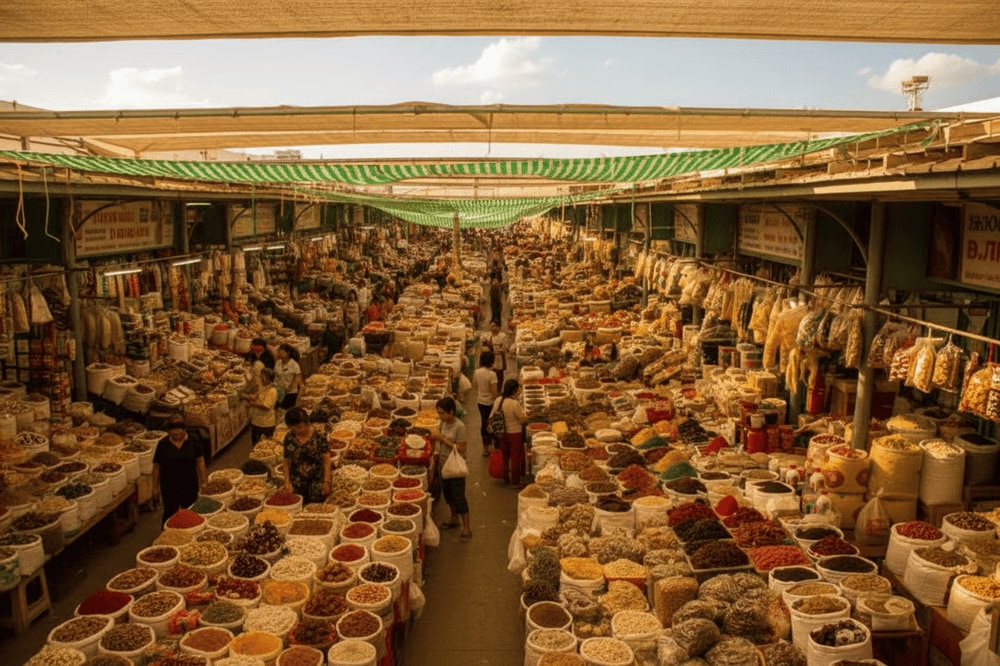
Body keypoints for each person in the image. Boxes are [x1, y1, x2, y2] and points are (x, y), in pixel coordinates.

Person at [152, 415, 207, 526]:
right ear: (169, 431)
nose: (177, 434)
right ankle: (168, 532)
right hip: (169, 487)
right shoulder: (163, 444)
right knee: (170, 514)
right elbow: (157, 467)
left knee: (190, 513)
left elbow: (200, 461)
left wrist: (203, 481)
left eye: (180, 430)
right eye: (174, 431)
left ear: (184, 429)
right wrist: (155, 488)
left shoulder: (193, 441)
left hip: (189, 485)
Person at [433, 396, 471, 538]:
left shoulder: (459, 426)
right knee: (448, 494)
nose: (440, 416)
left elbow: (461, 448)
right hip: (444, 464)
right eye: (439, 413)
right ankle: (454, 519)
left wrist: (443, 440)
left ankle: (466, 527)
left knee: (459, 496)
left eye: (442, 413)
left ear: (451, 412)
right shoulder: (442, 424)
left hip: (455, 467)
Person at [282, 406, 332, 503]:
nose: (297, 431)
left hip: (316, 482)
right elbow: (286, 460)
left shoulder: (319, 436)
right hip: (297, 482)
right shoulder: (289, 437)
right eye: (293, 428)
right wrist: (287, 482)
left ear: (306, 422)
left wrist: (327, 481)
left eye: (300, 427)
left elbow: (326, 459)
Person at [490, 379, 527, 488]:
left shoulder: (498, 400)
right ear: (514, 390)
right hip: (515, 433)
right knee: (515, 457)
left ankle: (505, 477)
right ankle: (515, 482)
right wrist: (529, 417)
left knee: (505, 456)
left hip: (502, 433)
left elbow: (492, 415)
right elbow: (521, 420)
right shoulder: (514, 404)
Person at [473, 350, 498, 457]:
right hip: (491, 402)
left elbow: (474, 386)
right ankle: (495, 447)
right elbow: (494, 391)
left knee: (484, 423)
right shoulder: (492, 374)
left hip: (480, 402)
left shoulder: (477, 372)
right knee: (493, 424)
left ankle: (485, 448)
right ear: (491, 361)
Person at [243, 367, 278, 444]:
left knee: (267, 444)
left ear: (269, 379)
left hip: (266, 423)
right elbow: (257, 396)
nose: (261, 379)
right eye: (261, 376)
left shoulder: (272, 391)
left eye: (263, 377)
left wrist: (252, 404)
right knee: (255, 443)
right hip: (256, 421)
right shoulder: (262, 386)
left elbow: (266, 406)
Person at [274, 343, 302, 409]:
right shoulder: (278, 362)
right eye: (279, 352)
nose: (279, 354)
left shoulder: (294, 364)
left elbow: (298, 377)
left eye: (282, 352)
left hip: (290, 393)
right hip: (279, 391)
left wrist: (290, 387)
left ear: (288, 353)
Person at [483, 319, 509, 387]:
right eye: (491, 326)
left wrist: (495, 351)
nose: (493, 328)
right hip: (489, 360)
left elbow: (505, 348)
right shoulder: (486, 336)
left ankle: (499, 388)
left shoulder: (503, 336)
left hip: (499, 360)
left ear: (499, 327)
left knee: (499, 376)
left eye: (494, 326)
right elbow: (483, 348)